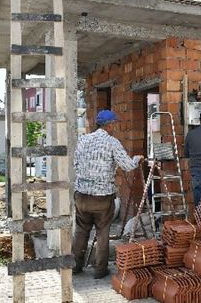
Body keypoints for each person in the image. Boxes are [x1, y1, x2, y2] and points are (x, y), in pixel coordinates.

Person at [72, 109, 143, 278]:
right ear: (109, 125)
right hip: (102, 197)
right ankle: (100, 270)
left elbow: (75, 164)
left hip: (81, 195)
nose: (115, 127)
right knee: (102, 231)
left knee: (81, 231)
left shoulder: (82, 140)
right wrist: (137, 160)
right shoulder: (112, 142)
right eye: (114, 124)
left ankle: (75, 266)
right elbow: (127, 166)